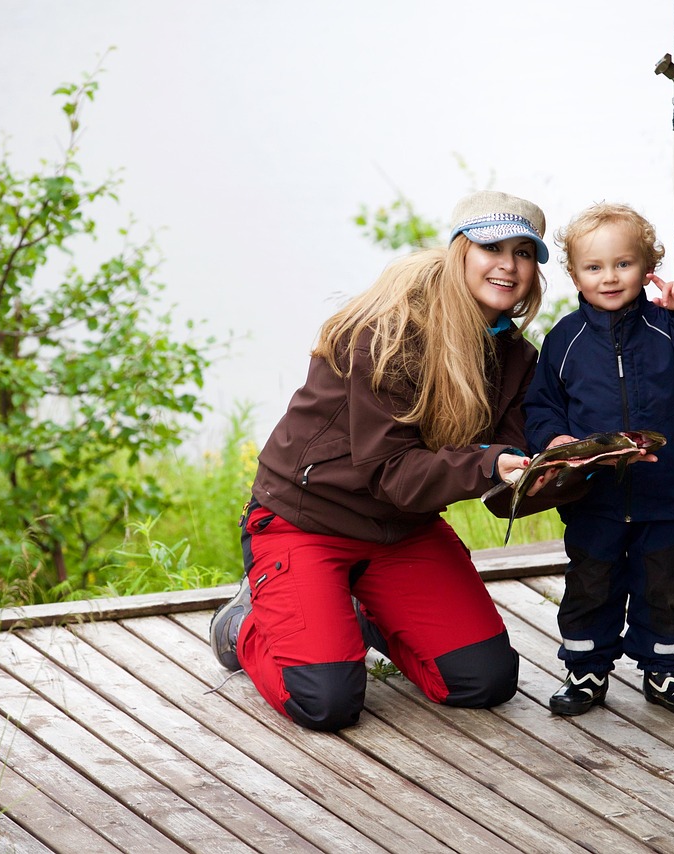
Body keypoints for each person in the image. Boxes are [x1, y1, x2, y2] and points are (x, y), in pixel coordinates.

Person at [209, 190, 564, 732]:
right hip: (307, 520)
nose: (508, 265)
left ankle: (363, 616)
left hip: (401, 529)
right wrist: (492, 464)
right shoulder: (389, 330)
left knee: (482, 680)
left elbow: (502, 489)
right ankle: (245, 625)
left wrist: (571, 469)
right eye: (492, 247)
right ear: (460, 252)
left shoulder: (514, 356)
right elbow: (391, 473)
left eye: (523, 253)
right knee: (326, 702)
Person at [523, 201, 674, 717]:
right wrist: (553, 440)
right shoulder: (564, 341)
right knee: (591, 582)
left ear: (648, 266)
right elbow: (542, 406)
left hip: (664, 495)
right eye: (594, 267)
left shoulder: (668, 330)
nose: (610, 277)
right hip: (594, 499)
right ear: (573, 273)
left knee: (661, 585)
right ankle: (585, 670)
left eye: (623, 264)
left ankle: (664, 672)